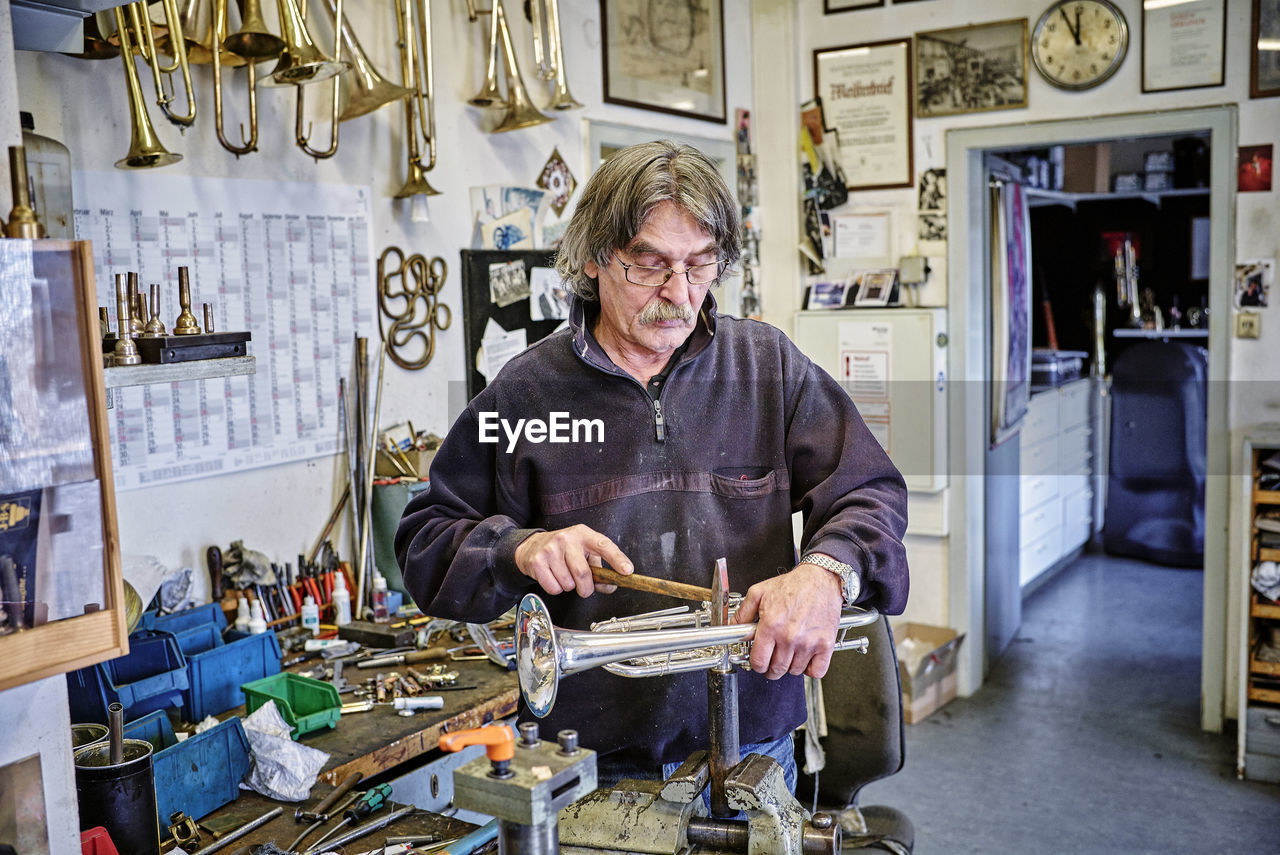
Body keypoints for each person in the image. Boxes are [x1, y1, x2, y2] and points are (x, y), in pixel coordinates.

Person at [395, 140, 909, 792]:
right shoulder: (525, 393)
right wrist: (520, 550)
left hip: (756, 745)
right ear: (593, 257)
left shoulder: (767, 368)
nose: (679, 292)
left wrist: (826, 572)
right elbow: (424, 537)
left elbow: (870, 489)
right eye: (650, 264)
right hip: (591, 762)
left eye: (701, 264)